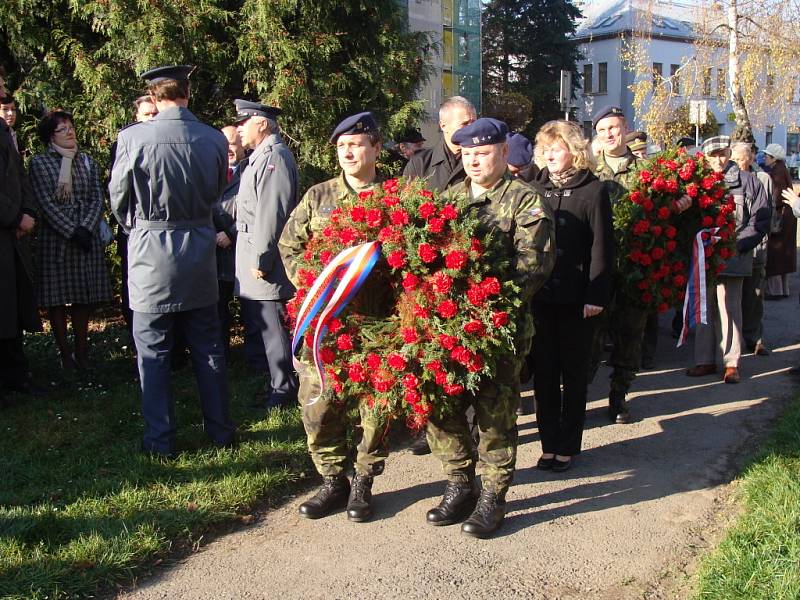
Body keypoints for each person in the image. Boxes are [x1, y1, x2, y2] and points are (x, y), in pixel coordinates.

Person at [426, 118, 555, 538]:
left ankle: (493, 497)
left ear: (502, 152)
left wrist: (482, 302)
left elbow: (534, 265)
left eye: (483, 153)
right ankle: (460, 483)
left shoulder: (525, 199)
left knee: (494, 413)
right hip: (448, 328)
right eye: (467, 154)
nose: (475, 160)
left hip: (499, 328)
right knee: (442, 408)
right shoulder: (450, 199)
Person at [109, 65, 235, 457]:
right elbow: (218, 191)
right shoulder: (213, 139)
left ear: (154, 96)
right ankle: (221, 432)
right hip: (198, 249)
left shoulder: (133, 137)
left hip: (151, 251)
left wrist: (140, 227)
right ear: (187, 93)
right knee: (208, 346)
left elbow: (118, 198)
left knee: (153, 352)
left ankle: (160, 441)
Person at [279, 111, 392, 523]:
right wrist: (311, 286)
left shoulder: (396, 196)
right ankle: (332, 479)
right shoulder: (318, 196)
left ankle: (363, 481)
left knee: (374, 408)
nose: (348, 152)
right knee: (319, 404)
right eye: (342, 146)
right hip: (325, 323)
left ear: (376, 149)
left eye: (357, 144)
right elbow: (289, 245)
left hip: (380, 324)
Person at [529, 120, 613, 473]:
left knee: (574, 375)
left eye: (557, 148)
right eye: (545, 150)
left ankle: (567, 446)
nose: (550, 155)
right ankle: (548, 444)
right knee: (544, 374)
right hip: (542, 298)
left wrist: (596, 294)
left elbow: (602, 247)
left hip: (578, 299)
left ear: (574, 151)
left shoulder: (593, 190)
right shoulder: (536, 188)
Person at [403, 95, 476, 455]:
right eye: (461, 124)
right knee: (429, 350)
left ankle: (472, 428)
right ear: (443, 126)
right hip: (427, 273)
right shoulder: (420, 164)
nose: (468, 129)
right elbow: (405, 214)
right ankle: (427, 427)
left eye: (472, 121)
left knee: (467, 350)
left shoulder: (479, 160)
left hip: (469, 273)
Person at [29, 110, 112, 371]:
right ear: (50, 136)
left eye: (70, 126)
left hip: (85, 237)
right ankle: (65, 354)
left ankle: (82, 351)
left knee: (83, 297)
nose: (69, 132)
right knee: (57, 298)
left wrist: (85, 229)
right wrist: (71, 230)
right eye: (62, 129)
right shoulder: (40, 163)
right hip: (57, 239)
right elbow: (45, 202)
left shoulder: (86, 161)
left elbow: (97, 197)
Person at [687, 136, 769, 384]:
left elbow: (760, 219)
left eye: (722, 153)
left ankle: (731, 362)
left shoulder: (749, 182)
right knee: (704, 307)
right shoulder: (698, 183)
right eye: (713, 155)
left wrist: (738, 244)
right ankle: (704, 360)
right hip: (704, 256)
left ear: (729, 153)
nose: (718, 160)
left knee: (730, 309)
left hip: (734, 257)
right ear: (705, 157)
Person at [233, 100, 299, 409]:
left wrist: (261, 258)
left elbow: (271, 214)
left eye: (243, 122)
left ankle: (284, 389)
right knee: (267, 325)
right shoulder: (260, 157)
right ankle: (277, 383)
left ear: (261, 123)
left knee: (274, 327)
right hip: (252, 251)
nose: (239, 129)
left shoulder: (275, 157)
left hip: (263, 257)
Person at [0, 70, 42, 404]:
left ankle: (16, 375)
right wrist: (14, 216)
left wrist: (26, 214)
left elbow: (19, 179)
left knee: (11, 307)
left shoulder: (6, 133)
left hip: (12, 236)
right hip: (5, 229)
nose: (3, 91)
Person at [112, 95, 158, 336]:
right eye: (146, 114)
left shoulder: (168, 142)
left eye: (155, 114)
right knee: (136, 293)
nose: (151, 119)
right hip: (135, 230)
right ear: (136, 117)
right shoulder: (126, 142)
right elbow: (119, 192)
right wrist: (130, 226)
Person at [730, 142, 772, 356]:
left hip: (756, 248)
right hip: (735, 251)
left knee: (754, 295)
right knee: (734, 297)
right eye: (734, 159)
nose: (736, 163)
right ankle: (735, 339)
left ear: (750, 159)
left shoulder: (762, 178)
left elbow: (766, 214)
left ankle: (755, 338)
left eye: (740, 159)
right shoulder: (730, 179)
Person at [213, 125, 247, 358]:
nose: (228, 150)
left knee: (250, 309)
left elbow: (255, 207)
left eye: (233, 144)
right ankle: (222, 354)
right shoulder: (210, 170)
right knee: (217, 308)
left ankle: (253, 358)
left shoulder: (251, 170)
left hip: (241, 249)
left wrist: (232, 233)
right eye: (224, 145)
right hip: (213, 250)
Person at [403, 95, 476, 193]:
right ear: (443, 125)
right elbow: (406, 202)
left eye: (474, 123)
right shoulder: (420, 163)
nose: (472, 129)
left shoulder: (481, 161)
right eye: (465, 124)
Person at [763, 144, 796, 298]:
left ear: (774, 158)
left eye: (767, 156)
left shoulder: (776, 172)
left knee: (775, 254)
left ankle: (775, 290)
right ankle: (783, 289)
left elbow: (776, 197)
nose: (765, 158)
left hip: (779, 217)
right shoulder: (783, 169)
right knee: (784, 254)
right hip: (787, 216)